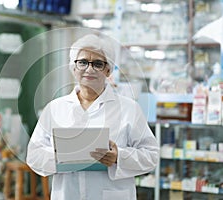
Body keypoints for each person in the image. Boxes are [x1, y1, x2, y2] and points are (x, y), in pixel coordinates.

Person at [26, 33, 159, 200]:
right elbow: (33, 156)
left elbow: (151, 156)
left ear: (108, 70)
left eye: (97, 64)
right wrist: (61, 155)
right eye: (82, 62)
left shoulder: (128, 109)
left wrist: (119, 156)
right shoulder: (55, 109)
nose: (89, 69)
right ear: (73, 68)